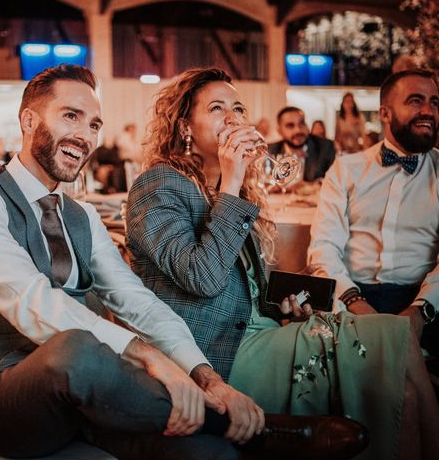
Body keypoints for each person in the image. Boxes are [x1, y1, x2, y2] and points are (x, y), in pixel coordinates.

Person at [0, 65, 360, 460]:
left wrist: (206, 377)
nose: (84, 135)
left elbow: (137, 300)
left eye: (94, 124)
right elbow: (33, 304)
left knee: (212, 454)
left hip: (100, 398)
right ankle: (261, 430)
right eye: (70, 116)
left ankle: (234, 432)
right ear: (28, 121)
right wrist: (151, 358)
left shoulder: (80, 216)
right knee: (75, 348)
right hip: (10, 402)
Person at [125, 66, 439, 460]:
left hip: (258, 330)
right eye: (218, 108)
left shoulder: (228, 189)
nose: (234, 119)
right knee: (392, 355)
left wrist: (282, 305)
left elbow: (244, 287)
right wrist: (233, 181)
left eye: (238, 109)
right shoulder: (158, 184)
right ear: (185, 126)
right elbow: (201, 277)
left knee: (399, 358)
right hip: (214, 352)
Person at [308, 68, 439, 359]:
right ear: (385, 113)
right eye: (416, 101)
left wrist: (421, 310)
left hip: (424, 300)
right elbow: (324, 247)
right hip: (351, 296)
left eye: (435, 102)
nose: (428, 111)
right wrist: (355, 302)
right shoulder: (346, 169)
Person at [268, 107, 335, 182]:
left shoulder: (325, 147)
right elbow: (263, 179)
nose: (298, 130)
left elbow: (334, 181)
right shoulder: (270, 150)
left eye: (302, 123)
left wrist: (313, 185)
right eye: (290, 125)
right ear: (279, 130)